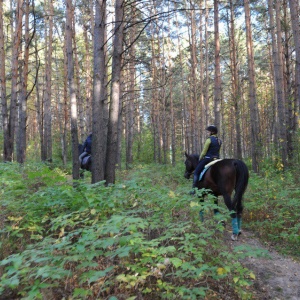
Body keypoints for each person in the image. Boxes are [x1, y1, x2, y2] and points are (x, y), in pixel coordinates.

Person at [190, 125, 222, 194]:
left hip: (208, 159)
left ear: (212, 132)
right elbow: (218, 151)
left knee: (196, 172)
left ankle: (194, 189)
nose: (207, 133)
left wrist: (200, 158)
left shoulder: (209, 140)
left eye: (208, 131)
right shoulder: (219, 141)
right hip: (217, 159)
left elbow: (204, 152)